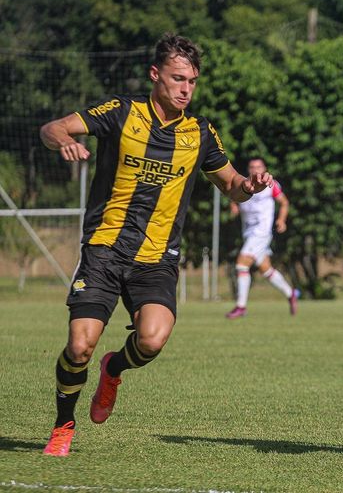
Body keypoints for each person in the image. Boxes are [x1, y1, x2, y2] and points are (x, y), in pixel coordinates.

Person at [39, 33, 274, 457]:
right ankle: (63, 425)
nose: (186, 89)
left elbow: (232, 185)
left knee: (151, 340)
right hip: (105, 249)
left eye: (193, 81)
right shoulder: (121, 112)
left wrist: (250, 186)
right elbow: (52, 127)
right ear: (155, 75)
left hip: (156, 258)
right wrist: (66, 141)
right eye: (178, 79)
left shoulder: (200, 132)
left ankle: (114, 368)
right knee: (78, 346)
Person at [225, 157, 299, 319]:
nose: (255, 169)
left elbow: (284, 202)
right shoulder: (245, 184)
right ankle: (290, 293)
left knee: (241, 264)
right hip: (249, 232)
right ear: (248, 169)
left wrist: (281, 220)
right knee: (266, 269)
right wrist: (233, 206)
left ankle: (241, 306)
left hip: (261, 232)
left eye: (258, 166)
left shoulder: (270, 185)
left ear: (264, 168)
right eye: (252, 166)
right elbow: (233, 195)